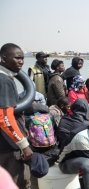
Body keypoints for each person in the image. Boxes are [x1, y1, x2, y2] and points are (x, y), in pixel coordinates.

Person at [0, 43, 33, 188]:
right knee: (17, 182)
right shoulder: (4, 80)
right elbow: (5, 118)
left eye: (22, 58)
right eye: (17, 58)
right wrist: (24, 145)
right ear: (3, 58)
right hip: (8, 146)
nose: (21, 62)